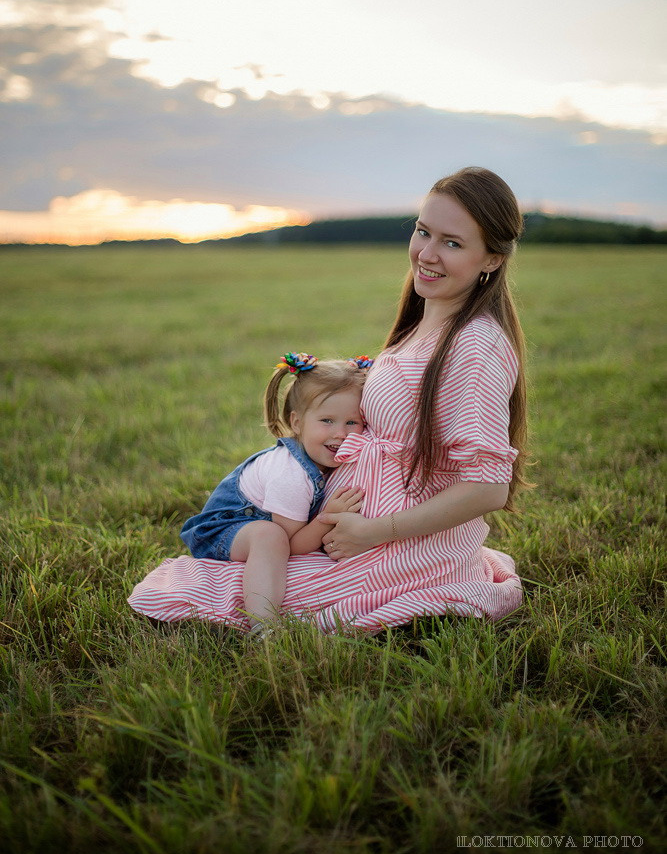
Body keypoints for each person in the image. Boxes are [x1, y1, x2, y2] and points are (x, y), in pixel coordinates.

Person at [129, 167, 526, 633]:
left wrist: (378, 531)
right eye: (423, 232)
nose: (428, 254)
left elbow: (488, 488)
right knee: (255, 574)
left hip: (397, 547)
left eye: (452, 243)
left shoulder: (476, 346)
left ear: (492, 260)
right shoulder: (424, 326)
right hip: (351, 533)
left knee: (255, 595)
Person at [179, 353, 369, 633]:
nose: (340, 433)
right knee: (270, 537)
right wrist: (328, 517)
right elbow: (292, 545)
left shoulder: (325, 456)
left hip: (271, 527)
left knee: (275, 536)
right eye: (327, 420)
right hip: (223, 532)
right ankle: (263, 624)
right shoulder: (291, 475)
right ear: (296, 422)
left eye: (352, 422)